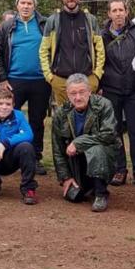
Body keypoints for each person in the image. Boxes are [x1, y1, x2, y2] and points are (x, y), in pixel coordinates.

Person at [0, 0, 52, 175]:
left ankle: (35, 157)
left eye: (29, 3)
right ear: (17, 5)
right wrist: (2, 78)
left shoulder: (44, 24)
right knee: (10, 119)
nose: (26, 6)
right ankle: (10, 154)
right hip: (14, 80)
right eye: (23, 3)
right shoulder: (8, 26)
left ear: (34, 5)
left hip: (40, 81)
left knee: (37, 120)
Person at [50, 73, 121, 212]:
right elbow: (57, 149)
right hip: (76, 161)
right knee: (75, 196)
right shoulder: (61, 113)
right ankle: (86, 186)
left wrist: (78, 143)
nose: (78, 97)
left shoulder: (104, 105)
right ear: (67, 94)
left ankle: (101, 193)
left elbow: (108, 135)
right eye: (73, 93)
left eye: (82, 92)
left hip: (104, 158)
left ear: (89, 91)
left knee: (96, 149)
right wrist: (65, 177)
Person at [99, 0, 135, 187]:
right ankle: (119, 170)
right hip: (111, 89)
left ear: (127, 12)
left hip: (134, 90)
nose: (118, 13)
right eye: (114, 10)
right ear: (109, 14)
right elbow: (98, 62)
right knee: (115, 131)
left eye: (121, 10)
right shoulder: (102, 36)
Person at [39, 0, 105, 106]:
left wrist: (97, 75)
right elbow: (43, 50)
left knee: (88, 120)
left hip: (87, 80)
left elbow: (100, 49)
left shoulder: (90, 20)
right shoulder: (53, 21)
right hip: (61, 81)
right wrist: (49, 76)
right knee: (64, 121)